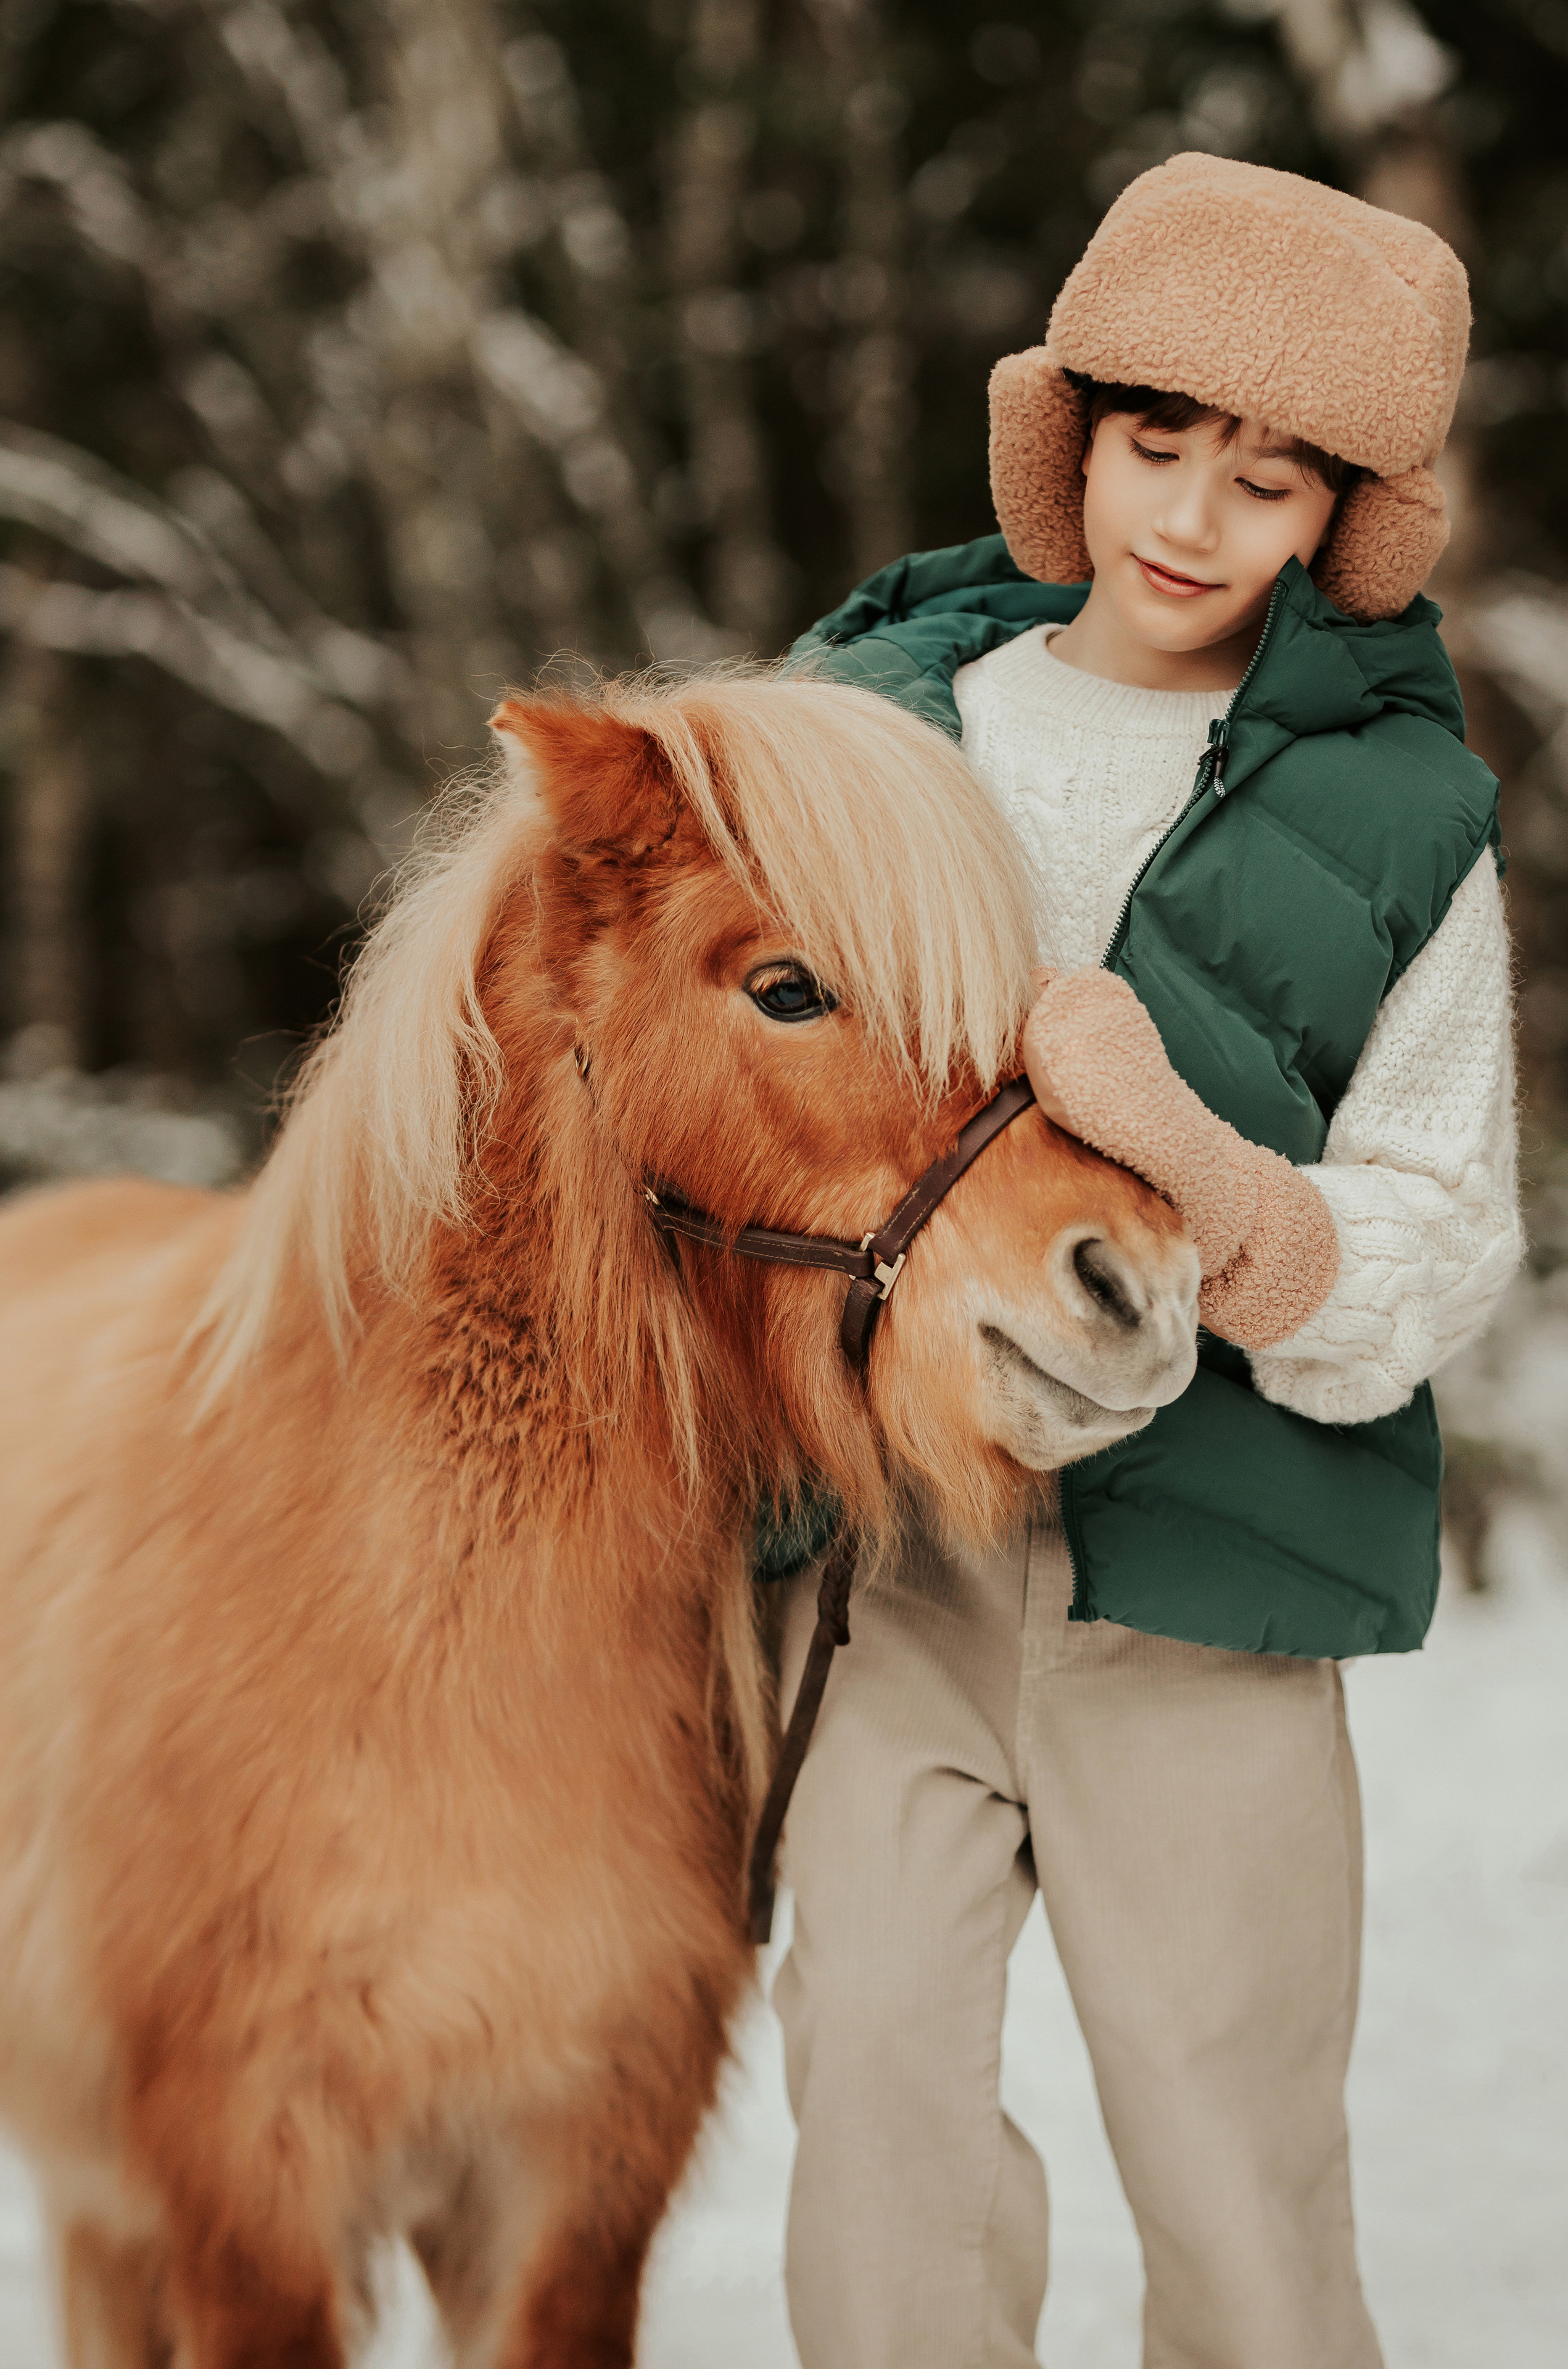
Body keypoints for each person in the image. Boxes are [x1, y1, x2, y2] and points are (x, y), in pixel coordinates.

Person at [766, 153, 1522, 2369]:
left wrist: (1189, 1153)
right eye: (1151, 442)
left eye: (1265, 480)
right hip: (882, 1553)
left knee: (1230, 2162)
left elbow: (1436, 1238)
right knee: (876, 2095)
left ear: (1345, 527)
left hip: (1209, 1596)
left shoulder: (1405, 828)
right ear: (1064, 438)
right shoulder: (864, 728)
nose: (1188, 516)